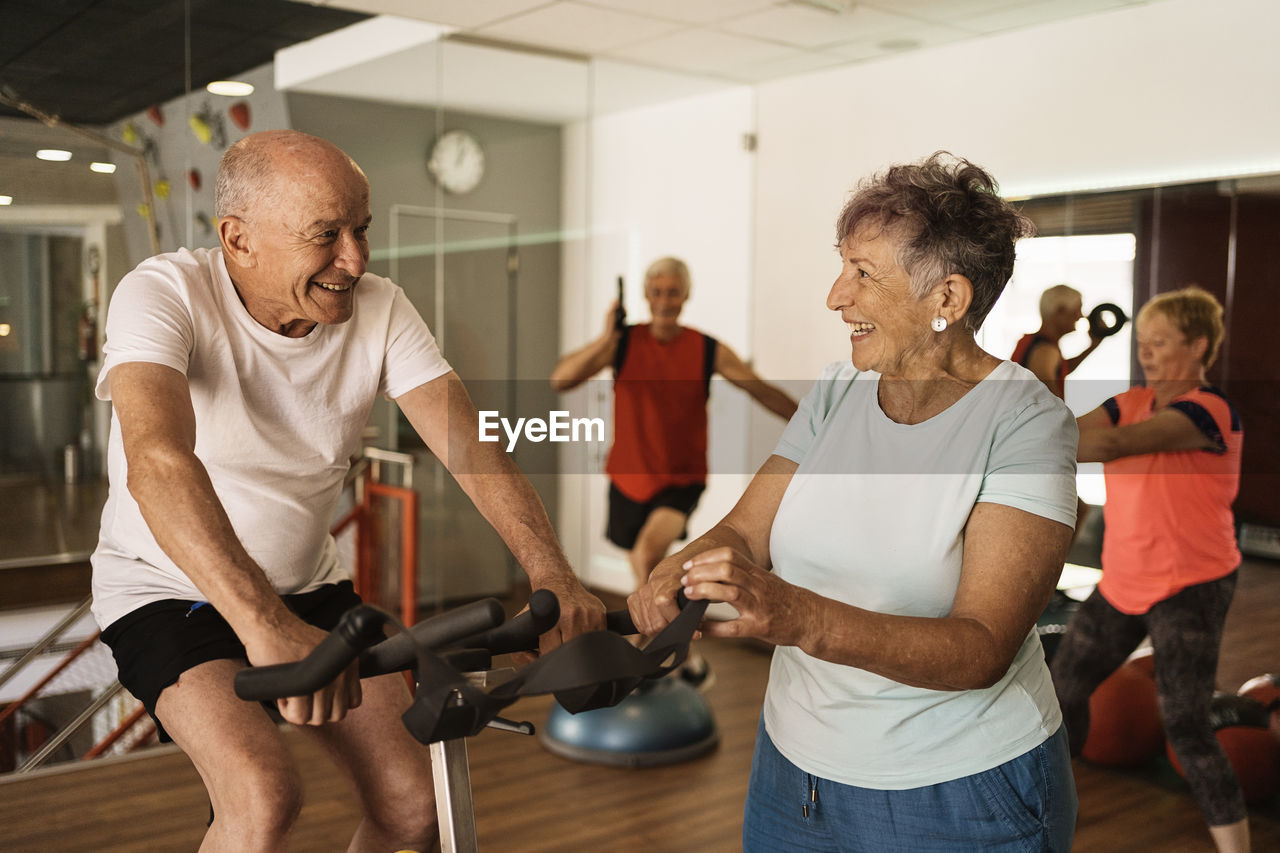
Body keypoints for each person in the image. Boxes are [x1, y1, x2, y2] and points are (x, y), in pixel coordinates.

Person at [90, 129, 605, 852]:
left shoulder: (382, 307)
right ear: (238, 240)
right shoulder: (162, 292)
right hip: (167, 591)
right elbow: (158, 461)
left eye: (360, 229)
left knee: (417, 805)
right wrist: (263, 623)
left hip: (308, 586)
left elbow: (471, 447)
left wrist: (551, 571)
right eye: (325, 235)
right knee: (264, 797)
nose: (355, 259)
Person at [629, 153, 1080, 851]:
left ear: (948, 301)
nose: (836, 296)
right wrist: (676, 572)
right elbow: (745, 533)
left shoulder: (1026, 423)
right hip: (794, 774)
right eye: (843, 266)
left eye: (863, 273)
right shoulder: (837, 391)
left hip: (960, 791)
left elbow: (981, 646)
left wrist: (797, 614)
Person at [1051, 286, 1249, 853]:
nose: (1148, 353)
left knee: (1186, 727)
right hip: (1123, 581)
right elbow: (1065, 429)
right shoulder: (1128, 399)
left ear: (1199, 346)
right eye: (1144, 342)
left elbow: (1108, 445)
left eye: (1162, 342)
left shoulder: (1210, 413)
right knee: (1061, 697)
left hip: (1192, 584)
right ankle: (1053, 817)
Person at [550, 256, 797, 595]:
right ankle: (674, 644)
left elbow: (760, 390)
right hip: (628, 476)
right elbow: (561, 380)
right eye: (657, 292)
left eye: (673, 293)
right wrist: (607, 338)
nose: (665, 301)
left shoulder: (707, 349)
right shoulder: (622, 343)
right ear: (646, 295)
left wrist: (812, 424)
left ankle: (643, 642)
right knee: (645, 572)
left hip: (681, 478)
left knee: (649, 556)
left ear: (685, 296)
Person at [1012, 283, 1105, 399]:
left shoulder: (1039, 344)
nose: (1080, 316)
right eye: (1077, 310)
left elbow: (1060, 370)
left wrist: (1093, 345)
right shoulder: (1045, 350)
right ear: (1060, 311)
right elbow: (1048, 398)